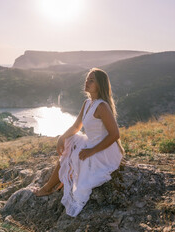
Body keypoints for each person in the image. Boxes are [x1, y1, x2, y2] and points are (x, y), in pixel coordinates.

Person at [33, 67, 124, 217]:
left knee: (74, 156)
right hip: (91, 144)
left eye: (91, 80)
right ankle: (50, 186)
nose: (87, 82)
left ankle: (48, 187)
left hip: (104, 151)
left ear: (100, 85)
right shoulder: (88, 103)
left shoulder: (102, 106)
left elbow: (115, 135)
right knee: (69, 143)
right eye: (87, 79)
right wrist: (61, 137)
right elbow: (76, 126)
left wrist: (91, 151)